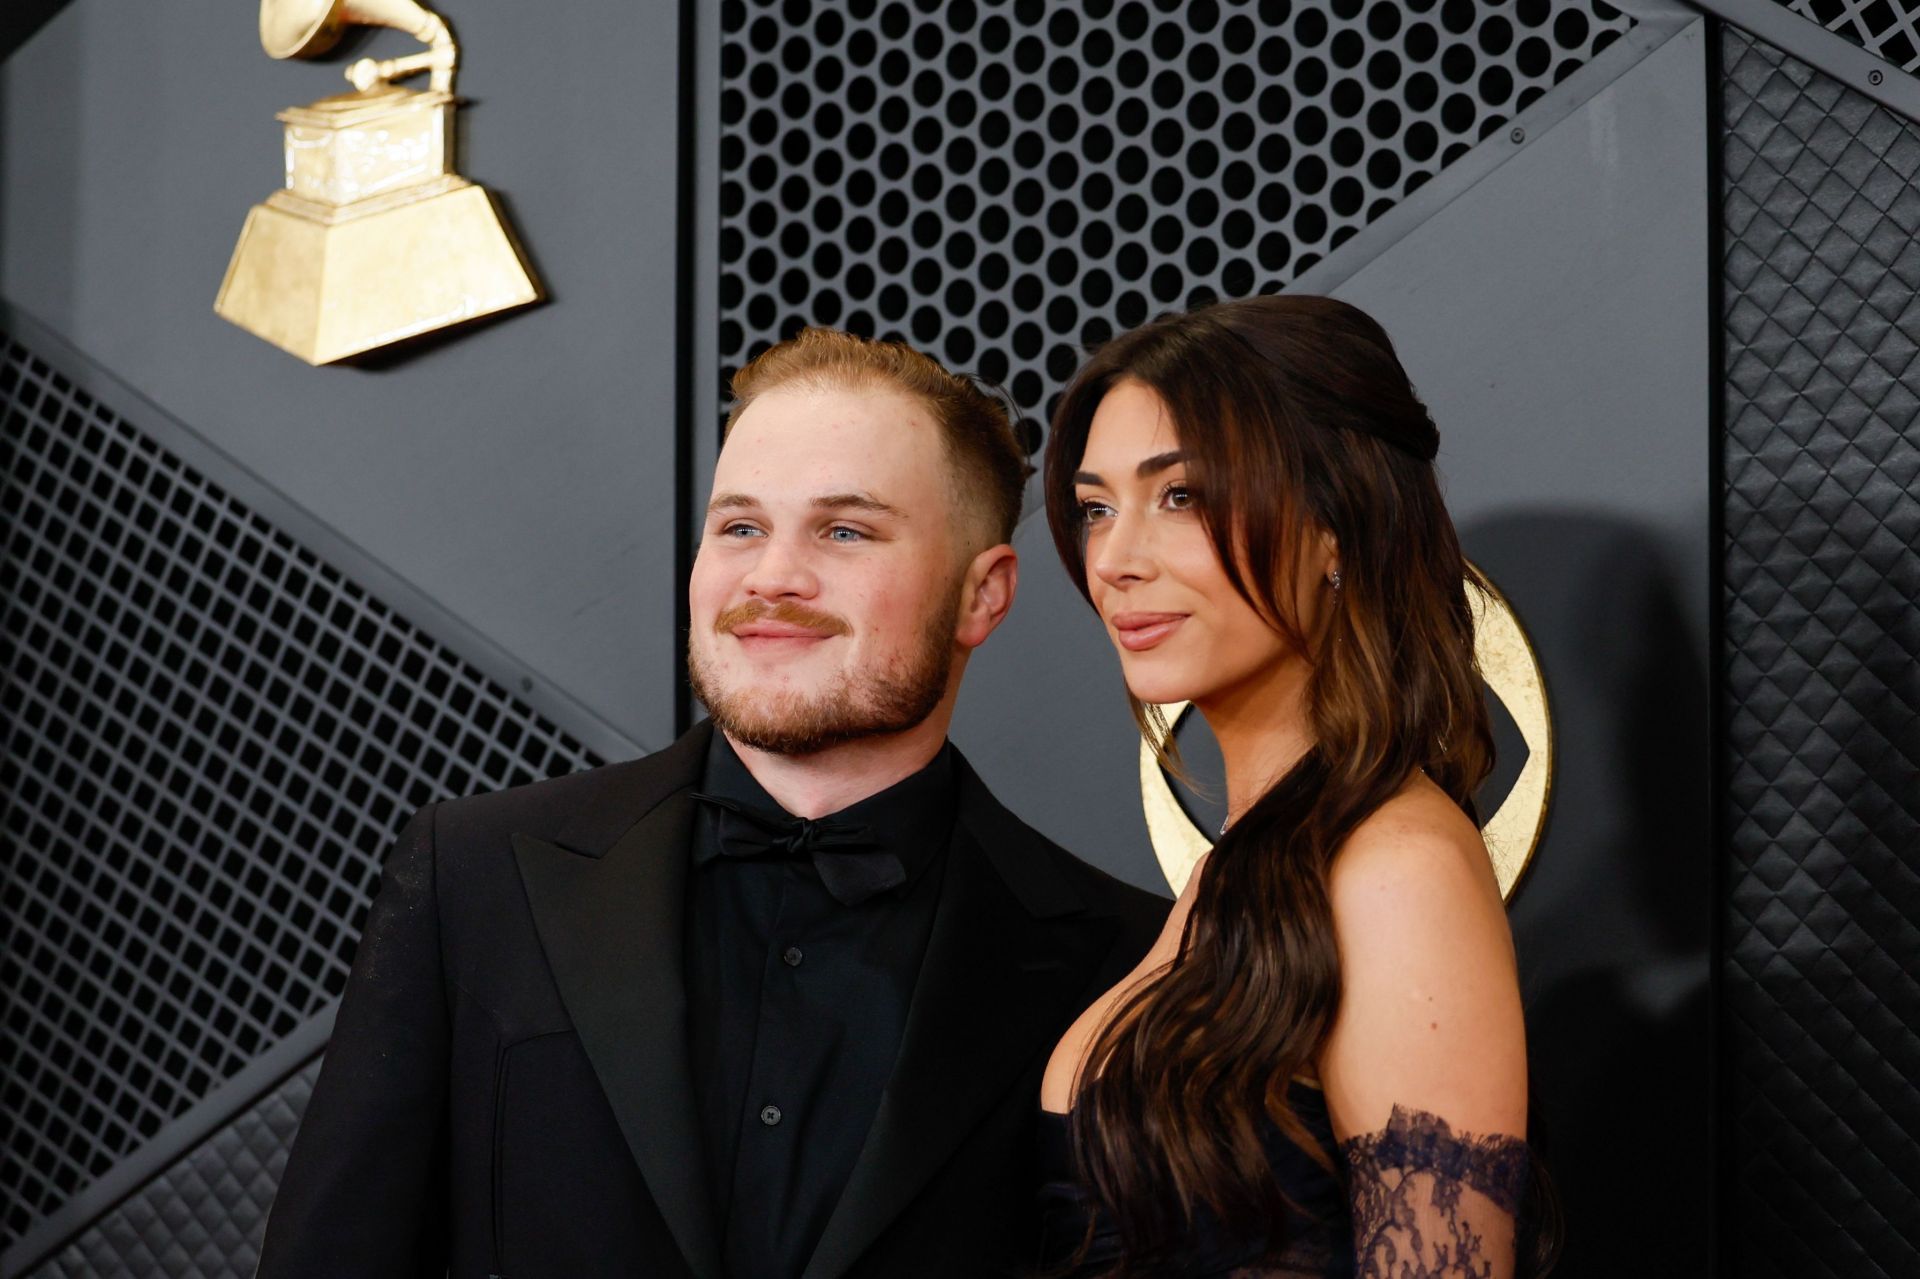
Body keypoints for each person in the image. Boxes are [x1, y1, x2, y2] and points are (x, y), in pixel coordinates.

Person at [254, 328, 1168, 1279]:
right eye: (739, 527)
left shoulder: (1124, 962)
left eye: (844, 530)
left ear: (983, 594)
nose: (771, 576)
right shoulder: (476, 874)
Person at [1033, 295, 1556, 1278]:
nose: (1114, 559)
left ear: (1335, 530)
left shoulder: (1395, 868)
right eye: (1097, 507)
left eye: (1178, 496)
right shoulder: (1247, 864)